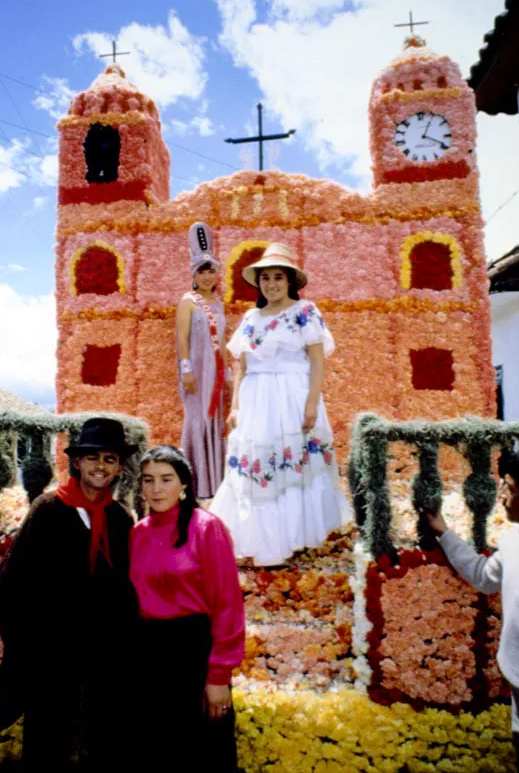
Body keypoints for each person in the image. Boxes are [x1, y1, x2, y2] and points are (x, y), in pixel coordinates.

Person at [0, 417, 139, 772]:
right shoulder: (49, 510)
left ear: (119, 467)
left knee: (101, 744)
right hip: (51, 656)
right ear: (77, 462)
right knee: (48, 744)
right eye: (92, 458)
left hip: (102, 657)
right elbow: (13, 580)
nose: (100, 466)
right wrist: (9, 636)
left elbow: (125, 588)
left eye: (109, 459)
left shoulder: (120, 520)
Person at [210, 242, 351, 566]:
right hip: (257, 400)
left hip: (293, 396)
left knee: (294, 465)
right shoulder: (250, 318)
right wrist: (235, 408)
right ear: (258, 283)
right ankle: (261, 542)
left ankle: (296, 538)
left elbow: (317, 362)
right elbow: (241, 367)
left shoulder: (304, 313)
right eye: (265, 278)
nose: (271, 284)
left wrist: (311, 405)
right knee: (259, 464)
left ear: (290, 281)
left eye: (277, 277)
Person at [129, 445, 244, 772]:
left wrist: (218, 675)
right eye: (148, 480)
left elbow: (227, 604)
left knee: (201, 753)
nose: (156, 488)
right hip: (147, 656)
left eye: (166, 479)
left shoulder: (207, 528)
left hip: (192, 653)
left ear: (184, 485)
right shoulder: (137, 533)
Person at [424, 449, 519, 772]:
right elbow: (482, 576)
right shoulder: (511, 543)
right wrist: (443, 532)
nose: (503, 495)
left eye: (509, 486)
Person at [176, 221, 231, 499]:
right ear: (194, 275)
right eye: (202, 271)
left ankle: (217, 482)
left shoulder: (219, 304)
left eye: (211, 271)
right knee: (196, 420)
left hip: (216, 372)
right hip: (196, 370)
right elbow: (182, 339)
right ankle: (196, 482)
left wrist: (229, 373)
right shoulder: (188, 301)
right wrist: (186, 370)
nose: (208, 277)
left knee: (216, 419)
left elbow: (221, 341)